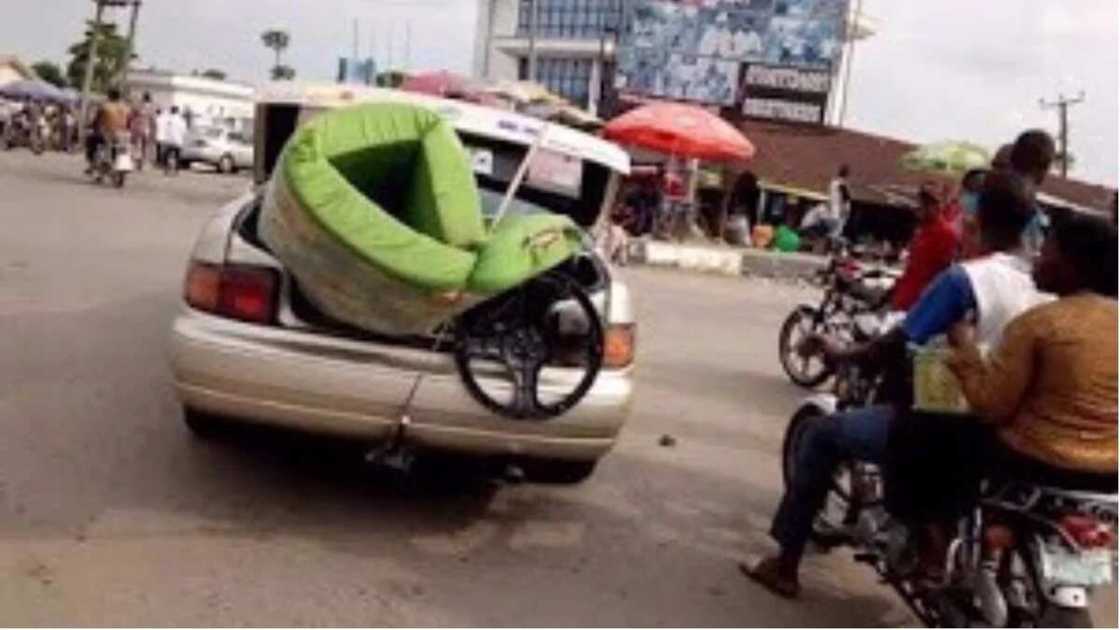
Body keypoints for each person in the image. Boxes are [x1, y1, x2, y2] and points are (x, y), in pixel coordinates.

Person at [741, 171, 1043, 599]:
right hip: (1004, 430)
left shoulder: (965, 279)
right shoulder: (1044, 286)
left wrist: (840, 352)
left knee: (823, 435)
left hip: (943, 424)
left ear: (978, 218)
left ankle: (785, 565)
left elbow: (894, 345)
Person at [947, 210, 1117, 484]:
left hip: (1038, 461)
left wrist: (964, 347)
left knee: (935, 436)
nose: (1036, 258)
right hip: (1109, 473)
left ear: (1071, 265)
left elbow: (991, 406)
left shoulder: (1038, 324)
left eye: (1047, 251)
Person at [889, 183, 960, 311]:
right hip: (904, 299)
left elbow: (943, 274)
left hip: (920, 304)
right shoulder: (922, 230)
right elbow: (912, 267)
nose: (920, 207)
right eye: (922, 202)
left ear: (937, 206)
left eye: (927, 204)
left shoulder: (946, 234)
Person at [86, 87, 130, 171]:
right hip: (122, 135)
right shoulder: (126, 108)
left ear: (109, 96)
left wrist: (91, 126)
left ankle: (92, 164)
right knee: (122, 148)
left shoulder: (105, 106)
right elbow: (128, 122)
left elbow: (96, 120)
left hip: (107, 134)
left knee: (91, 141)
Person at [828, 164, 852, 239]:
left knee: (834, 227)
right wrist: (845, 208)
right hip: (839, 208)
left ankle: (831, 238)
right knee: (838, 227)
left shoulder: (833, 182)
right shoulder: (841, 183)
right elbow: (845, 197)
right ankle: (832, 239)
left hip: (833, 206)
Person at [162, 106, 187, 175]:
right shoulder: (181, 120)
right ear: (178, 111)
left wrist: (166, 138)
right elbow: (184, 131)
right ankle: (177, 171)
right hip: (178, 141)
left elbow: (166, 130)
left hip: (169, 141)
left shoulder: (168, 119)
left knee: (165, 155)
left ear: (171, 111)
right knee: (177, 156)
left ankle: (166, 169)